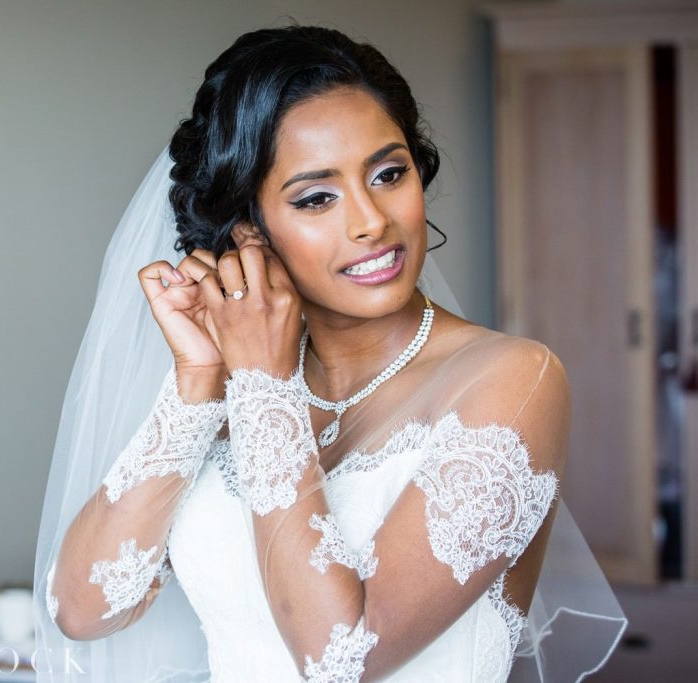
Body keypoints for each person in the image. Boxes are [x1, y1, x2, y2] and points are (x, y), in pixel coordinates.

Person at [32, 25, 626, 682]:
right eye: (317, 196)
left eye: (389, 173)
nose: (371, 220)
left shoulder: (513, 379)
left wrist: (264, 382)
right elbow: (81, 609)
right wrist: (198, 381)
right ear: (249, 230)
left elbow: (342, 657)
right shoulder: (234, 384)